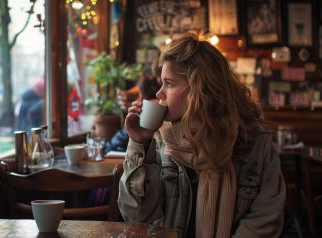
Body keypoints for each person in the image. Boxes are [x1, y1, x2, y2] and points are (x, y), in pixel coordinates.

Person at [118, 34, 286, 238]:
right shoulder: (161, 140)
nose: (160, 93)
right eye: (161, 83)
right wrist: (138, 143)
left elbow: (265, 220)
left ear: (200, 90)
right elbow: (137, 216)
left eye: (169, 83)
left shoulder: (256, 143)